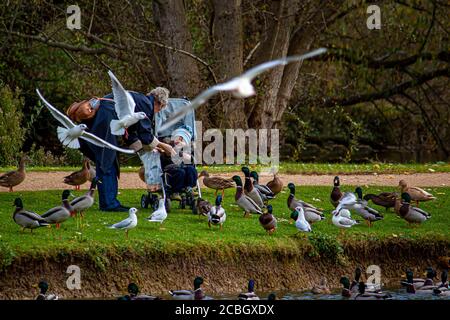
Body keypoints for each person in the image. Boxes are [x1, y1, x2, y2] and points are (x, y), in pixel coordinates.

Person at [66, 87, 175, 212]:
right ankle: (109, 204)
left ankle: (108, 201)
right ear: (160, 103)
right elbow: (145, 135)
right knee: (108, 162)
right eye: (160, 109)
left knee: (106, 162)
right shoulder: (146, 104)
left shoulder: (138, 99)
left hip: (96, 123)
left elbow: (131, 134)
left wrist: (150, 148)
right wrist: (163, 146)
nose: (157, 112)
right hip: (105, 122)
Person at [160, 125, 198, 200]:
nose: (179, 141)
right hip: (171, 168)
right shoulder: (168, 145)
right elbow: (167, 154)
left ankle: (189, 187)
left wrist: (188, 157)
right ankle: (175, 192)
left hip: (184, 167)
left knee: (191, 169)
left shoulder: (187, 149)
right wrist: (178, 153)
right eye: (178, 138)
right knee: (180, 172)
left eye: (182, 140)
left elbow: (191, 159)